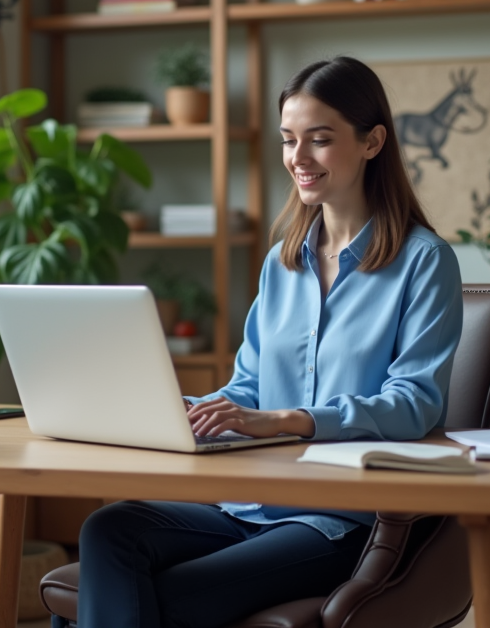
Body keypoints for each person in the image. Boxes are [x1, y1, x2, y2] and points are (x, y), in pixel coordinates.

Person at [69, 56, 463, 628]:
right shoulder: (283, 263)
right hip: (247, 505)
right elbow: (248, 386)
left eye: (319, 140)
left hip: (340, 520)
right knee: (108, 529)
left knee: (169, 596)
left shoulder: (424, 262)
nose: (297, 159)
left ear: (373, 142)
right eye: (288, 140)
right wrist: (190, 412)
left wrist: (288, 419)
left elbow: (414, 404)